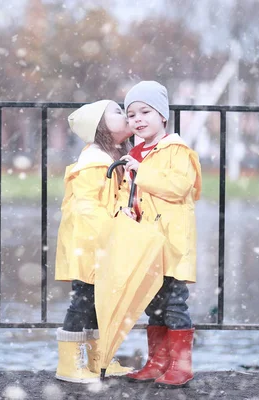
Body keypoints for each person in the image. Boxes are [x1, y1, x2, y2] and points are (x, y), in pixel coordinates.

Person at [120, 81, 202, 387]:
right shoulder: (137, 152)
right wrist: (130, 210)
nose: (138, 119)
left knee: (174, 303)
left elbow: (178, 187)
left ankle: (181, 365)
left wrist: (141, 170)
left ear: (163, 116)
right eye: (131, 115)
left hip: (172, 242)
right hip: (148, 242)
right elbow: (138, 196)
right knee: (152, 303)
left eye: (145, 112)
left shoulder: (177, 150)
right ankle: (157, 362)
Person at [54, 100, 134, 383]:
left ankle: (99, 360)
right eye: (117, 111)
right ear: (99, 126)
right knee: (84, 301)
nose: (126, 115)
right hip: (91, 244)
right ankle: (69, 364)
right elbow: (88, 208)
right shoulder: (94, 163)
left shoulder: (113, 158)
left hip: (102, 242)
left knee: (101, 302)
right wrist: (111, 232)